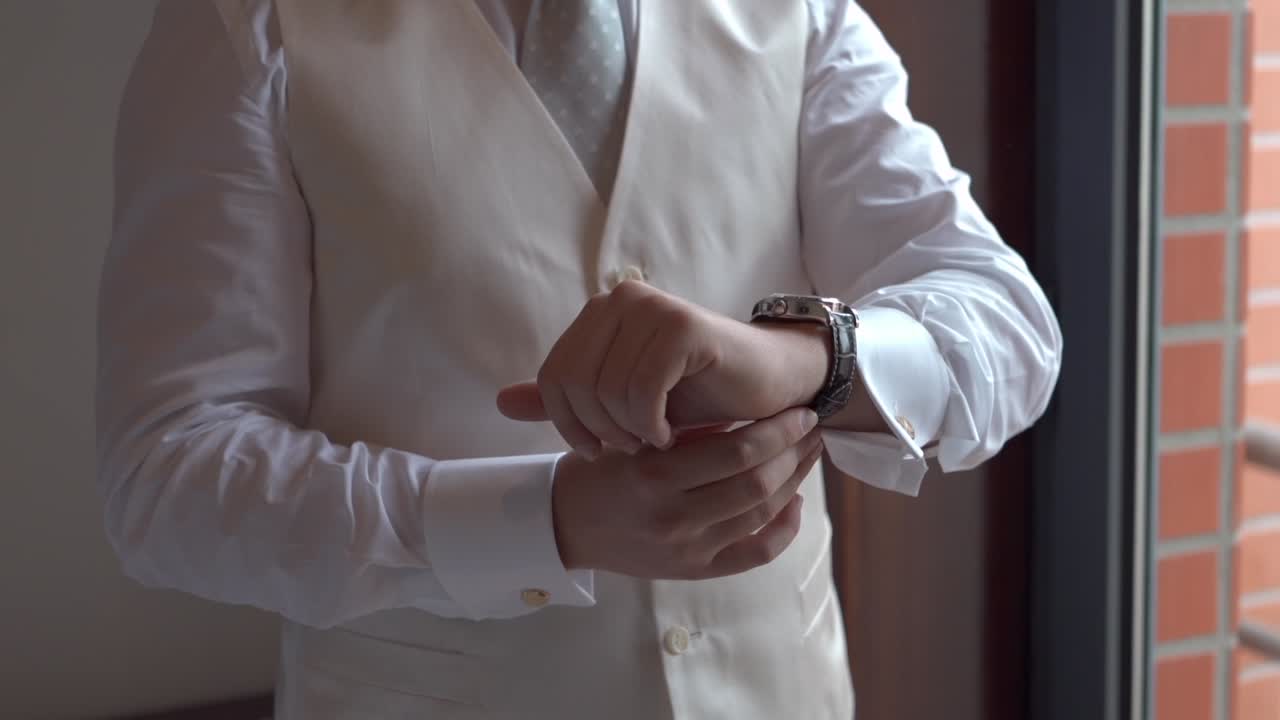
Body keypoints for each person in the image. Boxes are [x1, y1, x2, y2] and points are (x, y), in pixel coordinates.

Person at [96, 1, 1062, 718]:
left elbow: (1007, 325)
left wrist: (807, 358)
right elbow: (168, 473)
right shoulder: (248, 27)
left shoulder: (799, 14)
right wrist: (548, 523)